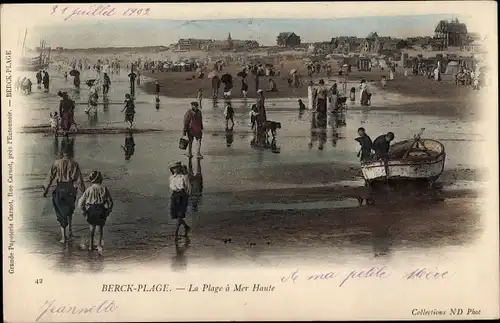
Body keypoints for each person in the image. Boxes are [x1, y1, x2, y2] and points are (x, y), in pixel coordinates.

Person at [43, 144, 86, 243]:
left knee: (61, 212)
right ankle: (70, 230)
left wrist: (46, 189)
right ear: (70, 153)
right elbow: (79, 180)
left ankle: (64, 238)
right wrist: (84, 191)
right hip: (71, 189)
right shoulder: (74, 164)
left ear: (62, 153)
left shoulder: (56, 163)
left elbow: (50, 177)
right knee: (70, 209)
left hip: (60, 188)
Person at [78, 171, 113, 254]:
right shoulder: (104, 188)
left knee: (91, 228)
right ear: (100, 179)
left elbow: (80, 202)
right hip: (101, 209)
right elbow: (110, 202)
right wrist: (108, 210)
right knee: (100, 229)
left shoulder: (88, 189)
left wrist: (83, 211)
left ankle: (90, 245)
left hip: (91, 209)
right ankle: (99, 245)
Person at [169, 162, 191, 239]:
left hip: (182, 195)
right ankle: (186, 227)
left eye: (177, 167)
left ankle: (176, 234)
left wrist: (186, 197)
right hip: (174, 195)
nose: (175, 169)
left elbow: (188, 188)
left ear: (180, 168)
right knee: (174, 214)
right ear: (172, 169)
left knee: (180, 215)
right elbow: (171, 187)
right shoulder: (171, 177)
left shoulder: (184, 177)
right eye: (174, 168)